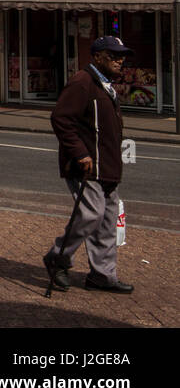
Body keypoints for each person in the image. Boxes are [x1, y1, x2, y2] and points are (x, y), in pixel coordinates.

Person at [42, 36, 133, 294]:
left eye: (121, 55)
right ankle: (57, 257)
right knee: (91, 214)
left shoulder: (106, 85)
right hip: (86, 167)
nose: (120, 60)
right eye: (113, 55)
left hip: (108, 169)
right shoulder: (83, 82)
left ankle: (102, 275)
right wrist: (80, 153)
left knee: (107, 220)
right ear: (97, 57)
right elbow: (61, 119)